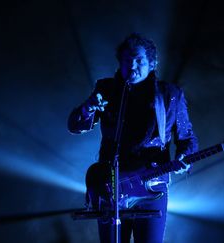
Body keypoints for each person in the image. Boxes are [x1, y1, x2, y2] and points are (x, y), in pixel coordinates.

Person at [68, 33, 198, 243]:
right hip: (111, 185)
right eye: (127, 60)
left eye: (139, 60)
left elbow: (187, 138)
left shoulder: (169, 94)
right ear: (120, 63)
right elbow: (75, 126)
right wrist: (88, 108)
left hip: (152, 185)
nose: (132, 66)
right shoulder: (107, 90)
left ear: (152, 63)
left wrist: (184, 157)